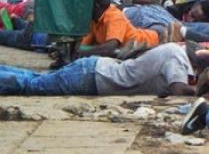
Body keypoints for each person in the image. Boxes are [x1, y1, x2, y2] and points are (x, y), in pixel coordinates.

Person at [0, 43, 195, 97]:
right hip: (93, 77)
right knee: (31, 85)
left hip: (93, 70)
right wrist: (201, 90)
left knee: (35, 79)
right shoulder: (178, 59)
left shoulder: (174, 51)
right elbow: (178, 90)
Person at [78, 0, 160, 57]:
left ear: (96, 6)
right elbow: (83, 44)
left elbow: (109, 47)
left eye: (87, 3)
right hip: (130, 47)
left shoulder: (114, 17)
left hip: (153, 42)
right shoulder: (94, 18)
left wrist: (82, 52)